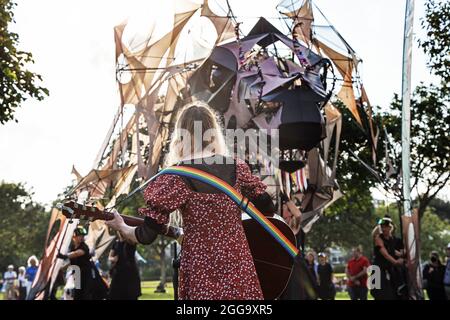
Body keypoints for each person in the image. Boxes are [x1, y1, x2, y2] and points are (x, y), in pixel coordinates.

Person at [106, 102, 277, 300]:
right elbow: (267, 207)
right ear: (213, 131)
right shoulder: (237, 168)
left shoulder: (177, 176)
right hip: (239, 266)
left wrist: (122, 226)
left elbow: (146, 236)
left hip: (201, 272)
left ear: (181, 135)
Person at [57, 226, 108, 300]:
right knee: (77, 294)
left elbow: (77, 253)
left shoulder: (84, 246)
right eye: (79, 236)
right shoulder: (72, 247)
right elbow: (73, 261)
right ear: (74, 237)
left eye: (82, 236)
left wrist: (64, 256)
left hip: (86, 273)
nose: (82, 237)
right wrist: (62, 268)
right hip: (77, 273)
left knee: (86, 294)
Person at [370, 216, 404, 300]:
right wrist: (396, 262)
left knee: (393, 293)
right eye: (382, 226)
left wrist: (402, 257)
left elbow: (397, 253)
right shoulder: (378, 238)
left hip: (389, 270)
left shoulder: (393, 240)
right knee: (380, 293)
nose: (383, 228)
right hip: (378, 270)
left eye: (385, 226)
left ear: (390, 227)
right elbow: (385, 254)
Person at [108, 234, 141, 300]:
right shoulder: (116, 243)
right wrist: (113, 259)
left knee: (130, 295)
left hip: (130, 273)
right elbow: (110, 257)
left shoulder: (131, 242)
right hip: (118, 273)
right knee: (114, 295)